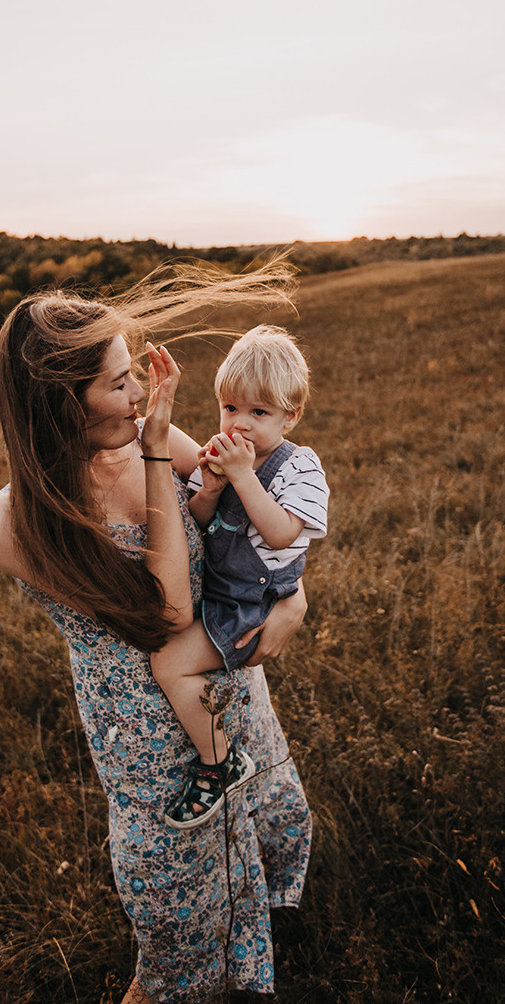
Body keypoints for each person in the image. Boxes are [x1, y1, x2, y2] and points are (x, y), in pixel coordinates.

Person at [0, 265, 312, 1004]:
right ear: (60, 406)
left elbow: (256, 533)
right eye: (118, 384)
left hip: (227, 687)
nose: (141, 397)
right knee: (174, 921)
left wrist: (291, 603)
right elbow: (162, 612)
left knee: (261, 834)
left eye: (136, 375)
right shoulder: (12, 520)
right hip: (145, 736)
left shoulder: (150, 439)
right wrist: (159, 455)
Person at [151, 327, 328, 831]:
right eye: (230, 409)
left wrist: (245, 477)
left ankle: (218, 760)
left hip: (252, 602)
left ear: (290, 415)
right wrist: (208, 489)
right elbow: (203, 524)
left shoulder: (301, 468)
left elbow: (278, 534)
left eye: (259, 413)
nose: (240, 424)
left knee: (169, 664)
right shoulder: (220, 455)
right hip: (219, 590)